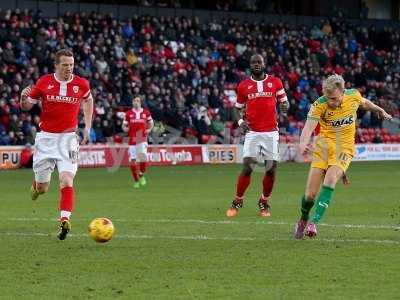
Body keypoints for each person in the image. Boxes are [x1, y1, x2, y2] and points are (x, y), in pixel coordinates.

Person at [294, 74, 391, 239]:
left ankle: (313, 223)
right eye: (328, 98)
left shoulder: (353, 95)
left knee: (330, 179)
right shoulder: (319, 104)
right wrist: (302, 144)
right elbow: (309, 127)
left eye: (334, 98)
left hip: (344, 148)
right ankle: (303, 218)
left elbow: (365, 103)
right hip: (324, 148)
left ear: (343, 92)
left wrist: (380, 110)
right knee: (310, 195)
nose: (331, 101)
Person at [20, 49, 93, 240]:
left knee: (67, 179)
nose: (69, 68)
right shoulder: (44, 82)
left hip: (68, 140)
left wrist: (87, 126)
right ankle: (36, 188)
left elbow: (88, 100)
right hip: (46, 139)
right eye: (65, 65)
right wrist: (22, 99)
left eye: (71, 64)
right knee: (43, 188)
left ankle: (64, 220)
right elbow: (27, 105)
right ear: (56, 65)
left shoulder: (81, 84)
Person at [226, 54, 289, 217]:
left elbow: (284, 101)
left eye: (259, 62)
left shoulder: (276, 82)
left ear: (264, 63)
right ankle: (237, 201)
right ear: (250, 65)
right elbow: (236, 108)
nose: (256, 64)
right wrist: (240, 122)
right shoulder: (243, 85)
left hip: (271, 132)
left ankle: (264, 202)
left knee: (271, 170)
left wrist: (284, 106)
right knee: (247, 168)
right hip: (252, 132)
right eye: (253, 62)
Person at [122, 96, 154, 188]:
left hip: (142, 138)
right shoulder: (128, 113)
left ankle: (141, 174)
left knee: (143, 159)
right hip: (132, 139)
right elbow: (124, 125)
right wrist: (125, 129)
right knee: (133, 161)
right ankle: (136, 181)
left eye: (137, 101)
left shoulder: (146, 112)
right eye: (134, 100)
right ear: (132, 102)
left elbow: (151, 122)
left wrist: (149, 129)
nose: (136, 102)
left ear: (140, 103)